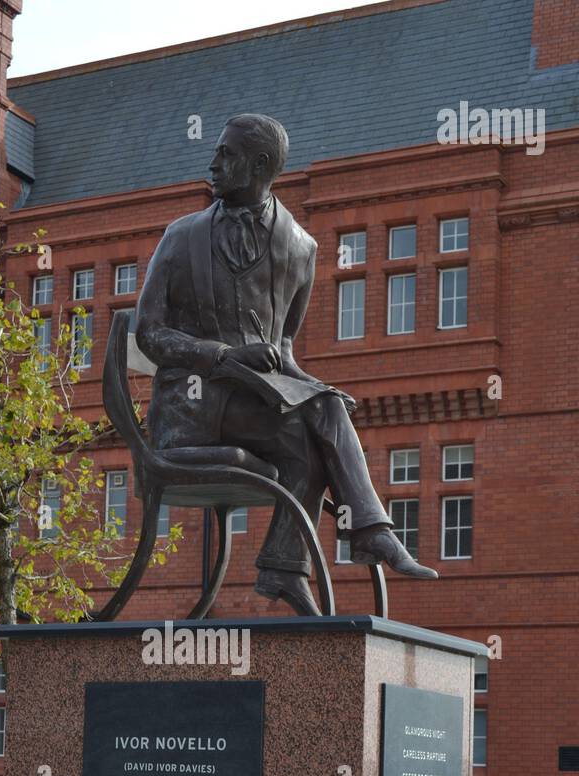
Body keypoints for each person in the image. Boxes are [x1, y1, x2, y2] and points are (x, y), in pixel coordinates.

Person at [136, 112, 437, 616]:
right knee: (321, 420)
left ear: (258, 165)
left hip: (251, 406)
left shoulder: (300, 248)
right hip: (189, 407)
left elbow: (286, 349)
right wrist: (224, 355)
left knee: (314, 431)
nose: (212, 163)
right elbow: (148, 333)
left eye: (226, 154)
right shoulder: (180, 237)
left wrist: (311, 386)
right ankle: (362, 536)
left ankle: (286, 565)